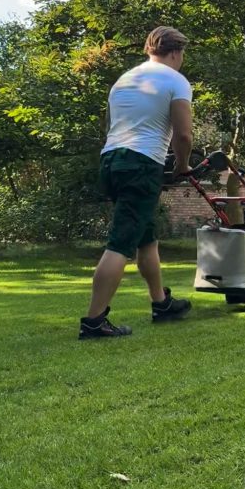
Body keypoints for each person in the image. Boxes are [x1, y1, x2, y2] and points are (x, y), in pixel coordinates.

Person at [79, 26, 194, 339]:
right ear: (175, 52)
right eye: (182, 54)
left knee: (146, 237)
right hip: (141, 164)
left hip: (112, 159)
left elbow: (110, 124)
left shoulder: (124, 80)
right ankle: (93, 322)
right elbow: (183, 135)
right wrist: (182, 166)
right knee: (121, 243)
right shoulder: (176, 80)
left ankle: (161, 304)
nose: (182, 59)